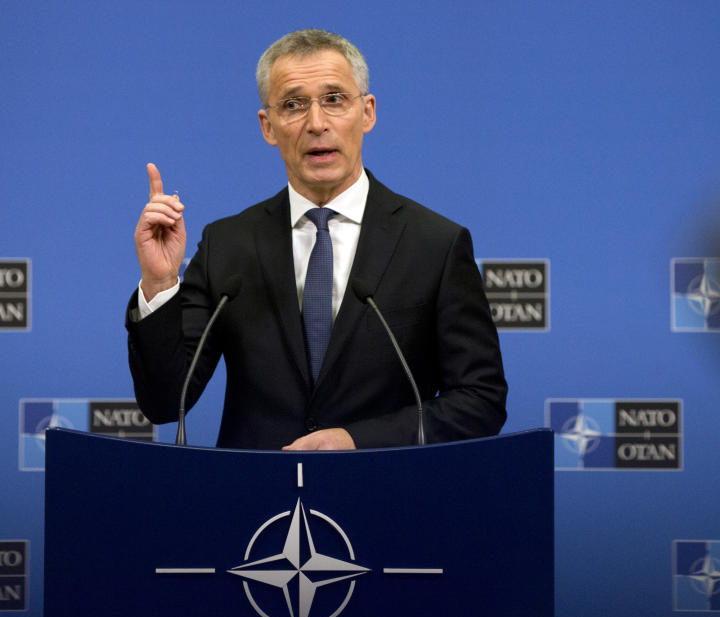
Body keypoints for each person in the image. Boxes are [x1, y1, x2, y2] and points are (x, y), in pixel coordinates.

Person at [126, 29, 506, 450]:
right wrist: (160, 285)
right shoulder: (227, 244)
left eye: (334, 99)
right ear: (267, 127)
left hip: (386, 499)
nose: (317, 123)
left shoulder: (435, 244)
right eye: (293, 105)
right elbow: (164, 403)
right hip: (257, 506)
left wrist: (357, 441)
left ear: (367, 112)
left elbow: (480, 400)